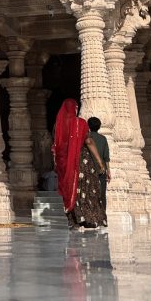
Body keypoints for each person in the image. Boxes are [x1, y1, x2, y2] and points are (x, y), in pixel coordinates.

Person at [52, 98, 108, 229]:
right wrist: (100, 162)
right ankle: (89, 219)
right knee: (87, 189)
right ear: (75, 109)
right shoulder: (80, 123)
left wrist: (56, 164)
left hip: (65, 163)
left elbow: (55, 146)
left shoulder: (58, 125)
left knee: (71, 189)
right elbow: (88, 142)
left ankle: (74, 220)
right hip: (81, 162)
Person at [87, 116, 110, 227]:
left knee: (90, 193)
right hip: (102, 170)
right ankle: (103, 217)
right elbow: (106, 157)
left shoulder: (87, 138)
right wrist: (108, 171)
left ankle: (92, 217)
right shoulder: (103, 139)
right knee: (102, 194)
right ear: (99, 126)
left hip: (90, 170)